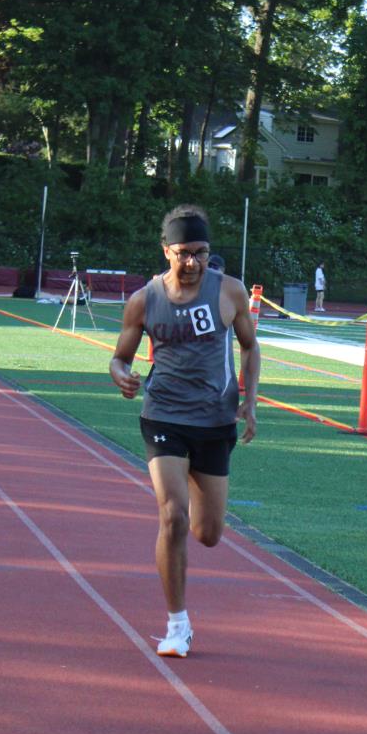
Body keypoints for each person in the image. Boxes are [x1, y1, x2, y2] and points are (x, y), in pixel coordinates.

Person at [109, 204, 261, 658]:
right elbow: (119, 357)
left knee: (208, 533)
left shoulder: (229, 291)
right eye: (184, 253)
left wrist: (250, 400)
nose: (193, 262)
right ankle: (177, 625)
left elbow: (250, 347)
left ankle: (195, 485)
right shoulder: (144, 300)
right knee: (172, 517)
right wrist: (121, 376)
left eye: (201, 252)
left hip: (215, 421)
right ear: (166, 251)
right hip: (164, 417)